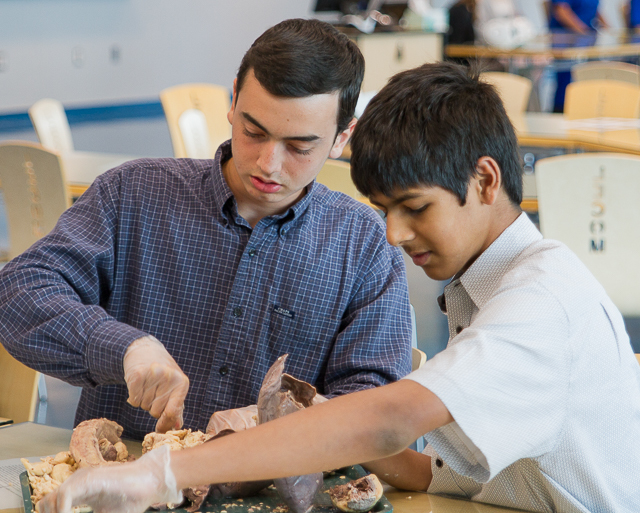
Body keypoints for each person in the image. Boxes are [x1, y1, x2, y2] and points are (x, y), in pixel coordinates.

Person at [38, 61, 640, 513]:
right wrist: (321, 419)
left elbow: (388, 418)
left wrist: (160, 473)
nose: (394, 234)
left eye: (414, 207)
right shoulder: (488, 282)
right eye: (384, 208)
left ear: (485, 178)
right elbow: (431, 465)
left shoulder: (541, 304)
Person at [0, 18, 412, 441]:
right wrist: (124, 348)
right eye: (253, 132)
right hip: (125, 482)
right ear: (233, 100)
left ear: (343, 137)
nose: (268, 164)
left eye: (299, 147)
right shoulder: (135, 192)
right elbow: (18, 291)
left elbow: (377, 399)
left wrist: (286, 420)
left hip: (267, 495)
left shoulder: (362, 244)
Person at [547, 0, 607, 111]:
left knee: (591, 78)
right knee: (566, 83)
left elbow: (593, 9)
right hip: (566, 40)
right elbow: (561, 11)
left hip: (587, 41)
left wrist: (607, 29)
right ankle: (560, 111)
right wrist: (584, 32)